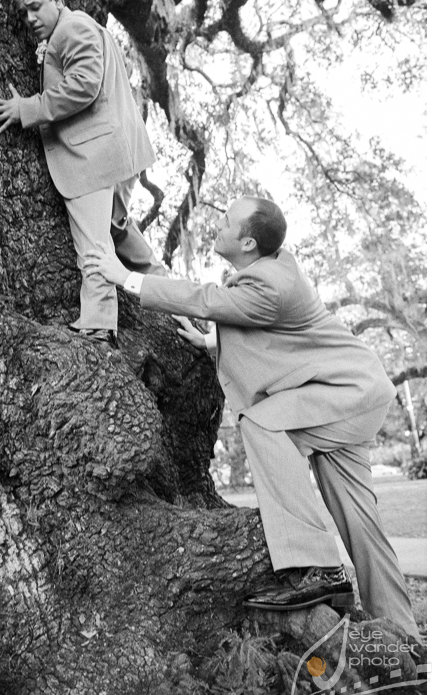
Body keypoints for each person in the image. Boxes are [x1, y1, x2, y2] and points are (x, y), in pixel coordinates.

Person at [83, 197, 418, 636]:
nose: (216, 224)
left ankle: (316, 566)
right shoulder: (270, 270)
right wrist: (210, 344)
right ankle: (402, 638)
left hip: (344, 394)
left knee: (262, 421)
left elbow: (208, 300)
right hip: (353, 394)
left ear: (247, 241)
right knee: (360, 523)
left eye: (226, 222)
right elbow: (273, 335)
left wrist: (124, 278)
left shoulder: (269, 286)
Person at [0, 0, 163, 347]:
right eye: (22, 13)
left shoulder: (73, 28)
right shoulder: (73, 29)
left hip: (92, 157)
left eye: (35, 7)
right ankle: (185, 310)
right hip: (112, 153)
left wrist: (26, 109)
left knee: (92, 243)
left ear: (58, 0)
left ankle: (98, 323)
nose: (29, 18)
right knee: (127, 242)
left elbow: (84, 85)